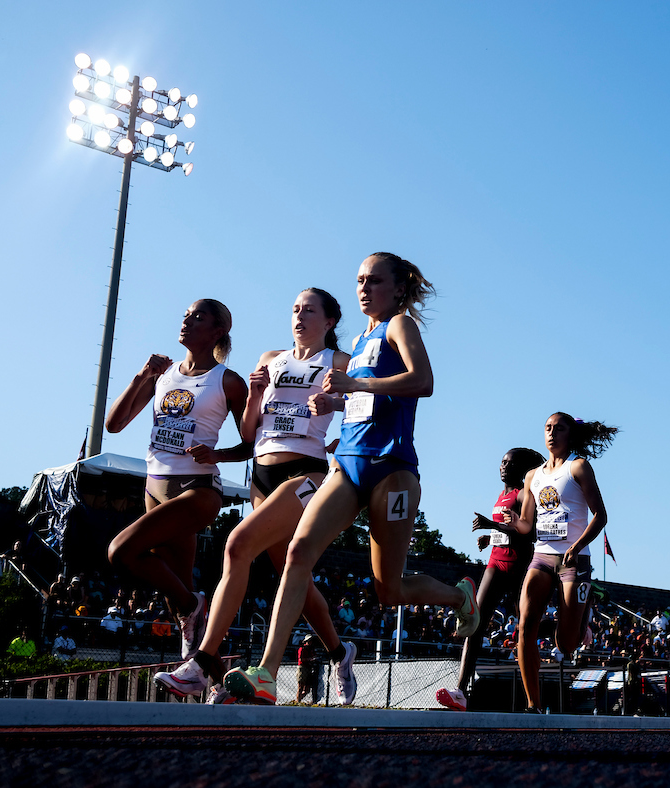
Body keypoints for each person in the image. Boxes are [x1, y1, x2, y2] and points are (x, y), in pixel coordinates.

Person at [224, 253, 480, 705]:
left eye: (374, 281)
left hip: (393, 469)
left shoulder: (398, 326)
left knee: (388, 589)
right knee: (298, 551)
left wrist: (355, 387)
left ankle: (459, 597)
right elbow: (359, 399)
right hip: (347, 462)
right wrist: (335, 403)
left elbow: (423, 381)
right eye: (359, 280)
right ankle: (265, 671)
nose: (364, 288)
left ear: (398, 288)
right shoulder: (360, 341)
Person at [155, 289, 359, 705]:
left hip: (306, 471)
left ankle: (200, 662)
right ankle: (341, 651)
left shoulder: (337, 362)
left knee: (237, 545)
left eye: (310, 310)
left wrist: (336, 406)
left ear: (331, 321)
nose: (300, 316)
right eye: (295, 309)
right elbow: (248, 433)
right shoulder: (271, 358)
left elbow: (367, 400)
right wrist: (253, 393)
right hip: (262, 473)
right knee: (290, 570)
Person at [104, 299, 249, 662]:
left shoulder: (227, 381)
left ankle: (194, 606)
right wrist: (142, 375)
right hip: (154, 485)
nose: (186, 320)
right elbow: (114, 424)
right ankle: (209, 678)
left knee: (121, 552)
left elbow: (253, 443)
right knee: (176, 597)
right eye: (185, 314)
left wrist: (219, 455)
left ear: (218, 332)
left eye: (197, 316)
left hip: (196, 488)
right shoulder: (163, 374)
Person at [506, 413, 616, 713]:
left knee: (567, 644)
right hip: (541, 555)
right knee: (525, 627)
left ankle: (580, 618)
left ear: (571, 435)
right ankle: (533, 705)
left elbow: (601, 516)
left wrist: (577, 546)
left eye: (559, 428)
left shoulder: (578, 467)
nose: (552, 433)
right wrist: (513, 523)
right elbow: (528, 525)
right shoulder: (533, 476)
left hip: (574, 559)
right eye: (548, 428)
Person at [436, 447, 546, 712]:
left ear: (522, 469)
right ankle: (460, 692)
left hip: (519, 567)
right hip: (495, 564)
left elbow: (528, 534)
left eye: (509, 463)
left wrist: (492, 526)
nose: (503, 466)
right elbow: (507, 531)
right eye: (502, 462)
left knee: (527, 629)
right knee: (475, 623)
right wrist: (491, 537)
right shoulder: (502, 495)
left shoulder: (523, 495)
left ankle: (569, 629)